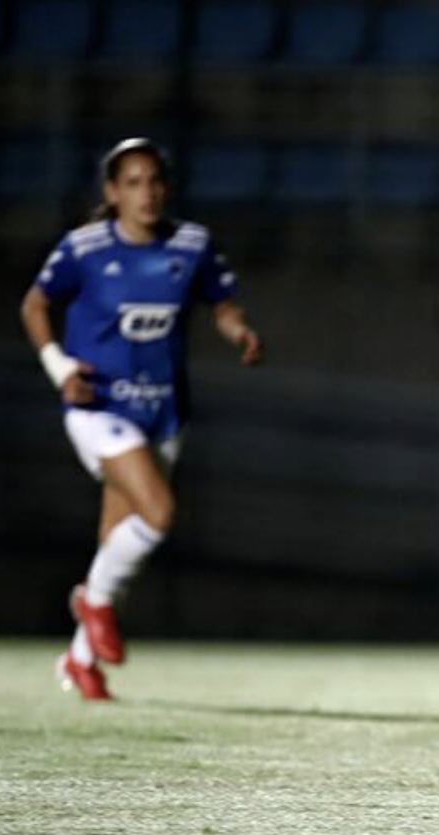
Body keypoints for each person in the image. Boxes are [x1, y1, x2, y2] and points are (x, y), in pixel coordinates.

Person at [19, 137, 264, 701]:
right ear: (112, 192)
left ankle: (81, 662)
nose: (146, 193)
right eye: (132, 183)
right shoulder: (84, 249)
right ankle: (93, 602)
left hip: (163, 411)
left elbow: (222, 303)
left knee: (117, 547)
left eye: (154, 181)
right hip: (98, 407)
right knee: (158, 514)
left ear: (167, 188)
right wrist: (58, 367)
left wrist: (240, 332)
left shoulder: (193, 244)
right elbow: (35, 304)